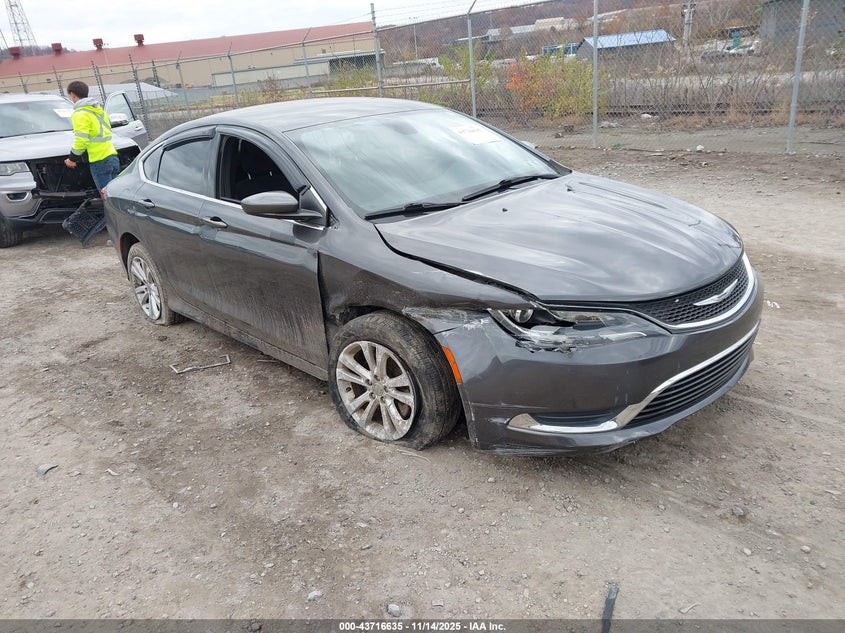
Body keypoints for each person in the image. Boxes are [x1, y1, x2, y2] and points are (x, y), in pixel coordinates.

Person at [63, 80, 119, 192]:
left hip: (99, 160)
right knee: (115, 195)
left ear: (73, 95)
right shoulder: (99, 112)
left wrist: (72, 159)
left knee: (107, 197)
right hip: (112, 157)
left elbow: (82, 140)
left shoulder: (80, 114)